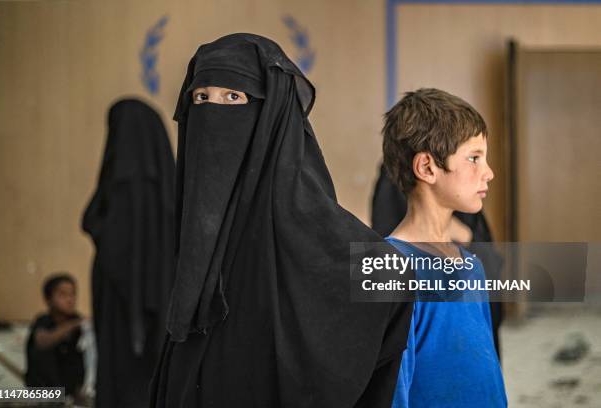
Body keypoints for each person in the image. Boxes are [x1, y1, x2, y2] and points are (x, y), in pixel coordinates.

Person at [150, 33, 413, 408]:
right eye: (201, 97)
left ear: (270, 114)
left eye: (233, 97)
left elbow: (391, 278)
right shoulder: (198, 217)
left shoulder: (304, 215)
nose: (212, 111)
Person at [381, 88, 507, 407]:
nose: (489, 173)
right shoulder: (392, 271)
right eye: (474, 158)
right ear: (427, 168)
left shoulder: (470, 264)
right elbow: (393, 391)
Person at [82, 99, 175, 407]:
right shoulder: (167, 189)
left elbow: (112, 244)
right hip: (161, 306)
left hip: (123, 312)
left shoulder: (124, 186)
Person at [371, 166, 504, 358]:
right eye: (473, 158)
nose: (488, 173)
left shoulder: (464, 196)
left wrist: (467, 238)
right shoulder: (394, 182)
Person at [25, 273, 85, 398]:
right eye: (63, 295)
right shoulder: (43, 321)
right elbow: (42, 341)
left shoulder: (79, 322)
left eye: (73, 294)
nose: (70, 299)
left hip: (70, 394)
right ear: (48, 299)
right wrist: (71, 326)